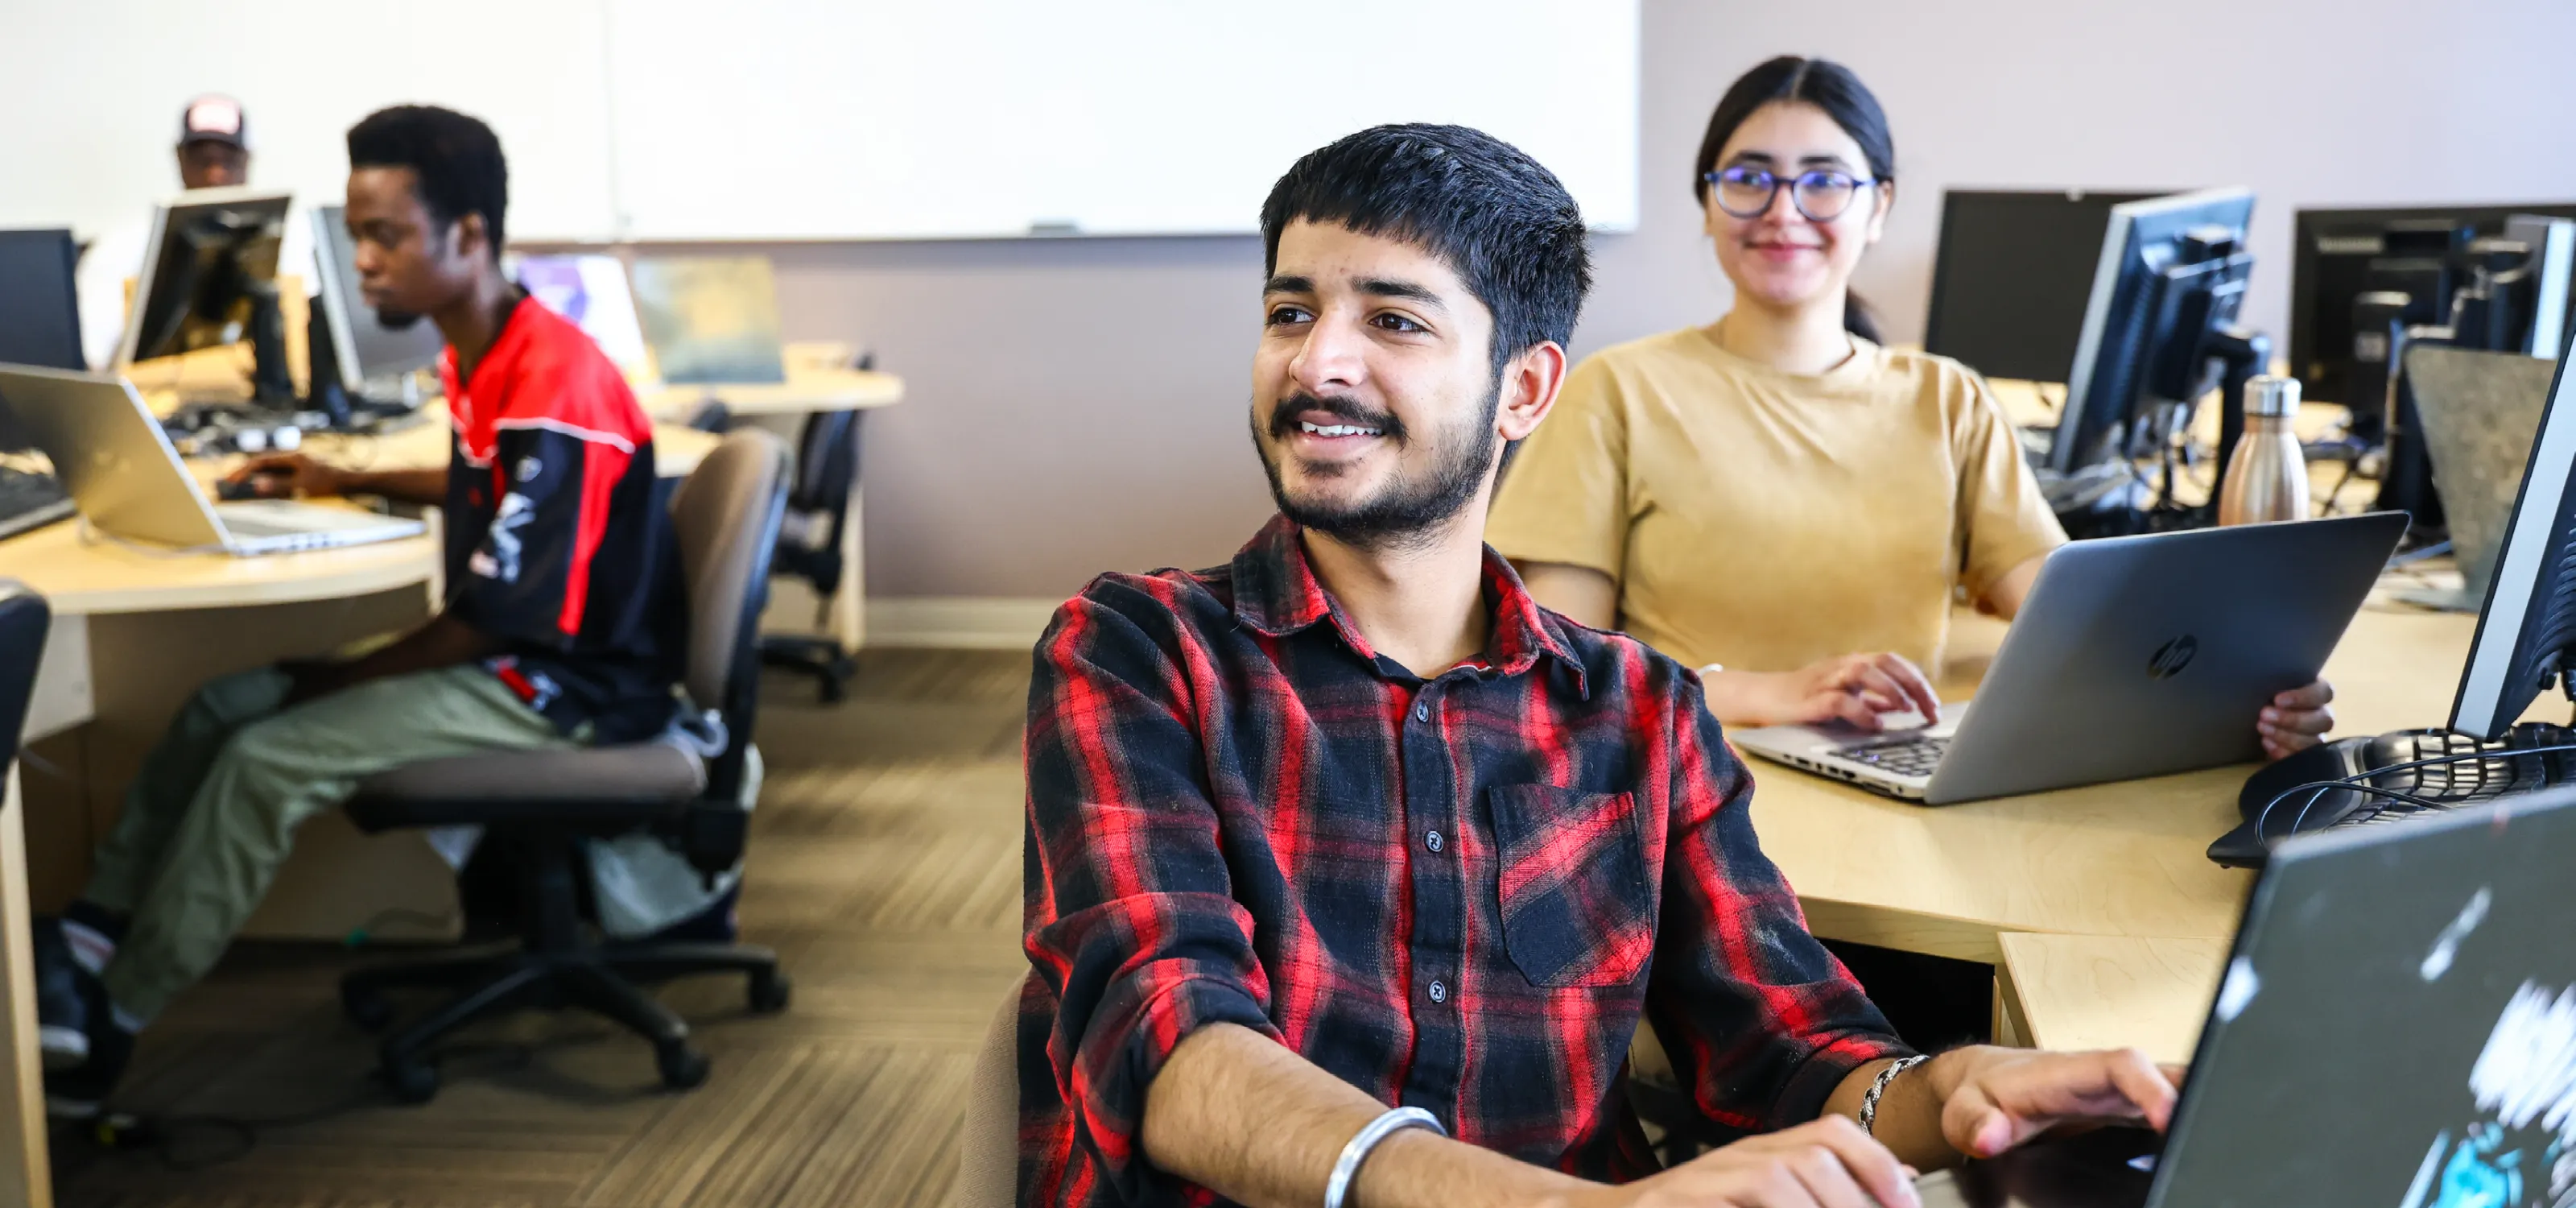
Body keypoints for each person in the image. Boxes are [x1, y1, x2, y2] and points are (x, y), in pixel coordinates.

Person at [1021, 122, 2182, 1208]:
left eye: (1393, 321)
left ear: (1523, 389)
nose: (1318, 362)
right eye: (1290, 312)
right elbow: (1169, 1045)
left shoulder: (1638, 711)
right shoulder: (1137, 653)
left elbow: (1790, 1046)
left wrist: (1950, 1088)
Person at [33, 105, 691, 1119]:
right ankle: (89, 930)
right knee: (222, 703)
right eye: (356, 237)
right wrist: (334, 474)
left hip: (566, 687)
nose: (364, 262)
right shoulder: (485, 349)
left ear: (467, 237)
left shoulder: (555, 381)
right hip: (513, 653)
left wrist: (332, 679)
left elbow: (498, 618)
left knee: (266, 749)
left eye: (385, 236)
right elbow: (497, 484)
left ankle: (111, 1023)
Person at [1485, 56, 2335, 762]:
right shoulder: (1617, 391)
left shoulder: (1946, 399)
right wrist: (1771, 694)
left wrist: (2241, 686)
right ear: (1707, 204)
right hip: (1695, 793)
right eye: (1748, 180)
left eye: (1823, 182)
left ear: (1878, 206)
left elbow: (2069, 616)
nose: (1782, 211)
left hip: (1900, 792)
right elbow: (1563, 668)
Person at [76, 93, 317, 370]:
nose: (215, 175)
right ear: (179, 158)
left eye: (228, 161)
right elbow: (90, 358)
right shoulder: (120, 247)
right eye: (202, 161)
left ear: (247, 160)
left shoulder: (295, 237)